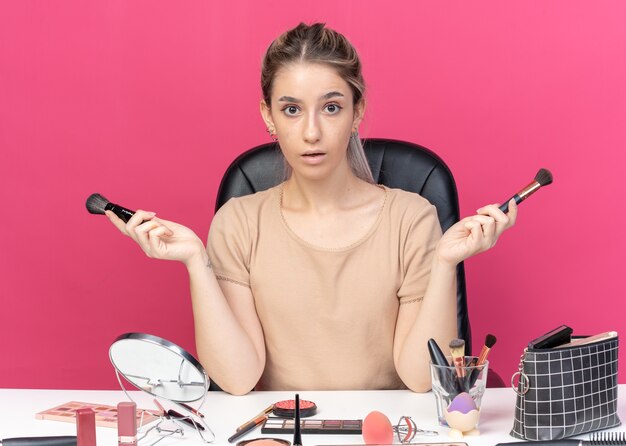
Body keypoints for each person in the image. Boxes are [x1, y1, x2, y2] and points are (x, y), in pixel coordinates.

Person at [106, 22, 517, 395]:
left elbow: (419, 378)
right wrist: (196, 262)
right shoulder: (239, 222)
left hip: (385, 432)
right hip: (277, 431)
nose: (311, 131)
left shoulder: (412, 218)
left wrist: (445, 263)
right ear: (268, 116)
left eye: (332, 107)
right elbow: (237, 378)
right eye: (291, 109)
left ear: (357, 112)